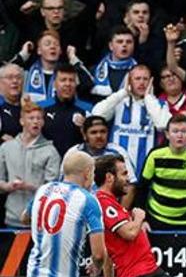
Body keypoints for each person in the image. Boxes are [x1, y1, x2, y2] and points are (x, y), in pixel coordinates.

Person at [92, 64, 171, 178]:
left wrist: (148, 97)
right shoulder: (118, 101)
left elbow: (162, 124)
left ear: (151, 81)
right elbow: (97, 114)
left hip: (146, 170)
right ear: (129, 81)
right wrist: (123, 92)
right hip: (116, 170)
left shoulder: (159, 104)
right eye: (137, 79)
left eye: (145, 79)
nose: (142, 82)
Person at [0, 99, 61, 228]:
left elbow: (53, 189)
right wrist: (7, 186)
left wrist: (28, 186)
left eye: (39, 118)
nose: (35, 121)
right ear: (22, 121)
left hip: (39, 221)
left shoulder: (51, 151)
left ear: (43, 122)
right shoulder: (6, 148)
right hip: (11, 219)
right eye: (31, 118)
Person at [65, 115, 138, 207]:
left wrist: (120, 213)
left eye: (103, 132)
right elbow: (64, 185)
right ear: (84, 135)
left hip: (110, 209)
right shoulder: (73, 153)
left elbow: (130, 186)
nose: (99, 136)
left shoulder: (117, 152)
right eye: (93, 132)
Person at [40, 62, 94, 157]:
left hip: (76, 164)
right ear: (54, 84)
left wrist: (86, 126)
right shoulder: (41, 108)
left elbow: (94, 140)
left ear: (76, 84)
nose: (67, 84)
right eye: (63, 80)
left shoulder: (87, 109)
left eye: (71, 80)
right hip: (47, 164)